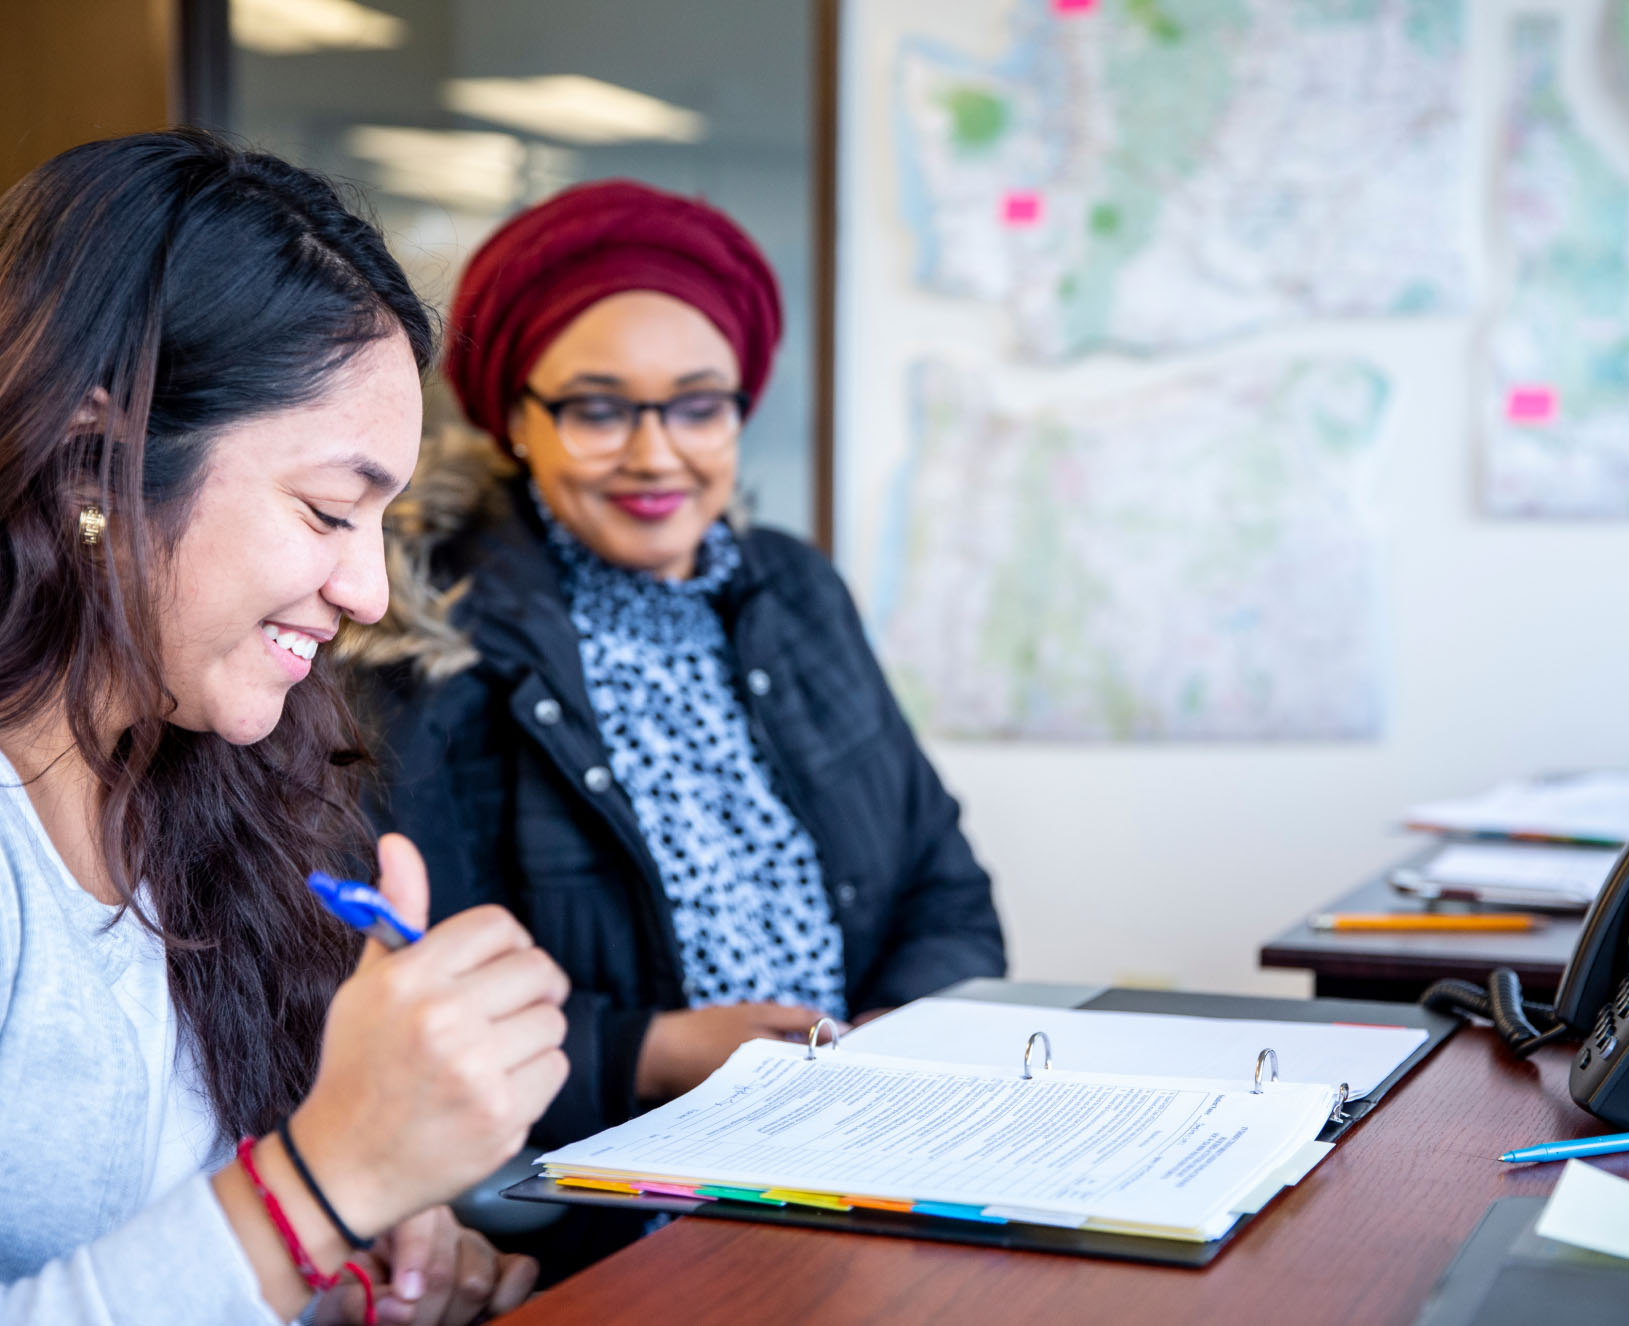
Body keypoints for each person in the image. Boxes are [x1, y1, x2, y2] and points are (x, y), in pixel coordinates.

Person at [0, 131, 572, 1325]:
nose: (368, 592)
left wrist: (361, 1253)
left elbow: (181, 1246)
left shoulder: (197, 788)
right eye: (326, 509)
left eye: (383, 524)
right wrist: (324, 1182)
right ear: (96, 464)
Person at [353, 179, 1006, 1153]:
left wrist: (899, 1034)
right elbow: (396, 994)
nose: (658, 456)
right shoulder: (429, 642)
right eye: (599, 410)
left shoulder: (797, 594)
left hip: (867, 1148)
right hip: (609, 1216)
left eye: (698, 407)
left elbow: (944, 886)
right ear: (517, 421)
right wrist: (644, 1052)